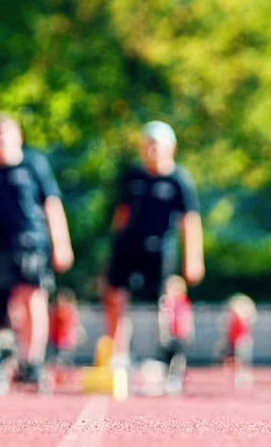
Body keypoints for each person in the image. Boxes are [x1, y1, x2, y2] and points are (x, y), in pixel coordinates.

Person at [0, 114, 74, 383]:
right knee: (4, 306)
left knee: (32, 297)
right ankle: (11, 356)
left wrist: (62, 244)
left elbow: (52, 204)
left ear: (18, 137)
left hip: (31, 242)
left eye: (4, 135)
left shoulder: (35, 164)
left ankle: (32, 361)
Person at [103, 121, 203, 368]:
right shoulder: (133, 176)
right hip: (128, 247)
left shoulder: (180, 181)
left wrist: (193, 259)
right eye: (147, 145)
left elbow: (189, 222)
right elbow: (122, 213)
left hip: (160, 249)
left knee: (164, 302)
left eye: (156, 145)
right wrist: (112, 249)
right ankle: (118, 355)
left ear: (171, 148)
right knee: (115, 296)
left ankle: (168, 354)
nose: (151, 151)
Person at [157, 275, 195, 394]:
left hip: (180, 335)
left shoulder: (184, 302)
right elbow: (162, 319)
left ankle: (177, 378)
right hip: (169, 335)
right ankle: (170, 379)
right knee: (167, 358)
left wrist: (189, 332)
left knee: (178, 358)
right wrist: (162, 334)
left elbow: (188, 318)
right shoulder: (165, 302)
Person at [221, 293, 257, 390]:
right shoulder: (232, 318)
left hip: (241, 342)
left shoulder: (243, 318)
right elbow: (228, 331)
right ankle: (236, 376)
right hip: (233, 342)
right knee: (233, 360)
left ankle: (242, 376)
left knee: (242, 360)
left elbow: (243, 333)